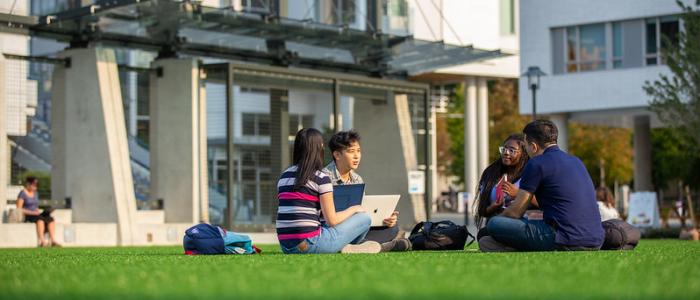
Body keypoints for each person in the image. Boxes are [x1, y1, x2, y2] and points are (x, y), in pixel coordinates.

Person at [480, 120, 604, 252]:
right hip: (596, 239)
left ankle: (514, 247)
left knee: (493, 224)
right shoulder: (576, 161)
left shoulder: (536, 163)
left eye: (525, 146)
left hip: (563, 238)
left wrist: (495, 223)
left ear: (533, 146)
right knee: (487, 241)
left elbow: (516, 211)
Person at [276, 128, 380, 254]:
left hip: (286, 247)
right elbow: (332, 220)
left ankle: (350, 247)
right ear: (318, 149)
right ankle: (351, 247)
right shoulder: (321, 177)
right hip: (311, 244)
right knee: (364, 218)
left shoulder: (284, 176)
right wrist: (355, 208)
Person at [323, 130, 411, 252]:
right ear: (337, 155)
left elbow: (364, 210)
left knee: (393, 227)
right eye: (351, 151)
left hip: (355, 229)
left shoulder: (357, 179)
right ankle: (378, 246)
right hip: (332, 230)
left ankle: (355, 246)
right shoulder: (323, 178)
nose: (356, 156)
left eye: (358, 151)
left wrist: (385, 219)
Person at [474, 134, 533, 244]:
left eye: (512, 150)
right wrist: (493, 207)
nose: (506, 152)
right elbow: (482, 211)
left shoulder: (531, 172)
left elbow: (543, 202)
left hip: (523, 221)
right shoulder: (490, 173)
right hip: (498, 222)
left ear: (523, 154)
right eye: (504, 149)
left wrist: (518, 194)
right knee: (483, 234)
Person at [16, 177, 60, 247]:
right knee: (40, 220)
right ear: (28, 184)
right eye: (34, 185)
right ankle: (42, 241)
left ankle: (53, 240)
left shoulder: (35, 194)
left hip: (36, 214)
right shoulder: (22, 193)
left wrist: (38, 211)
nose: (35, 187)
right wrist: (32, 212)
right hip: (28, 215)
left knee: (50, 219)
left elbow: (35, 206)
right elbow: (19, 208)